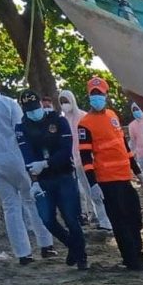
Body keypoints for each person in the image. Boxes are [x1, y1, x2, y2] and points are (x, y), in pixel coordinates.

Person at [0, 67, 56, 264]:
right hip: (16, 158)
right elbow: (23, 132)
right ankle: (46, 245)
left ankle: (23, 254)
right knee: (32, 200)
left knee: (10, 207)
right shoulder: (8, 103)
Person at [78, 75, 143, 272]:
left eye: (99, 94)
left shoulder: (112, 116)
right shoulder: (85, 124)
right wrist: (93, 183)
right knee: (120, 223)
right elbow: (85, 157)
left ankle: (138, 255)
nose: (96, 98)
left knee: (135, 218)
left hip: (124, 178)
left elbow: (123, 147)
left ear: (106, 95)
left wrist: (138, 172)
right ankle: (132, 260)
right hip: (107, 181)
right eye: (93, 95)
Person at [15, 89, 89, 270]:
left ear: (41, 104)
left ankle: (81, 258)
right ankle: (73, 245)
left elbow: (66, 150)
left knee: (71, 217)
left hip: (63, 175)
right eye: (29, 109)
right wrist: (34, 180)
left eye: (35, 107)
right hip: (42, 180)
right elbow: (27, 155)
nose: (33, 112)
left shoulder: (58, 121)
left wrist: (46, 163)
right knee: (46, 218)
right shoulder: (22, 127)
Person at [59, 89, 113, 231]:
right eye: (62, 102)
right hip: (75, 161)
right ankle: (99, 218)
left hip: (89, 159)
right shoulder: (63, 120)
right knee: (88, 192)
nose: (65, 104)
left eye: (66, 101)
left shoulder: (83, 117)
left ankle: (107, 220)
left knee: (97, 189)